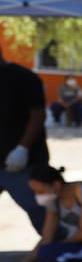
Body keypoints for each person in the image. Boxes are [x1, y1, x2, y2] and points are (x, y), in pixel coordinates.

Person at [0, 45, 53, 233]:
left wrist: (22, 148)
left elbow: (38, 114)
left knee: (41, 211)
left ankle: (59, 253)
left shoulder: (23, 78)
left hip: (25, 163)